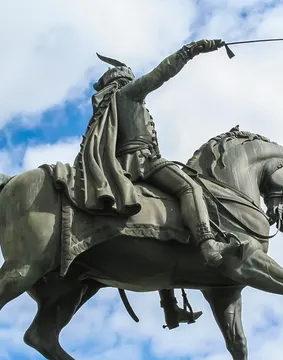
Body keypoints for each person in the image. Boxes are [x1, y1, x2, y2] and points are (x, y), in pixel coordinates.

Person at [74, 39, 241, 329]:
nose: (138, 82)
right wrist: (192, 50)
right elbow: (162, 72)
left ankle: (170, 308)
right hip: (142, 163)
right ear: (125, 80)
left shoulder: (109, 105)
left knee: (165, 228)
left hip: (129, 165)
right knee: (189, 188)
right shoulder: (128, 95)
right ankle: (209, 247)